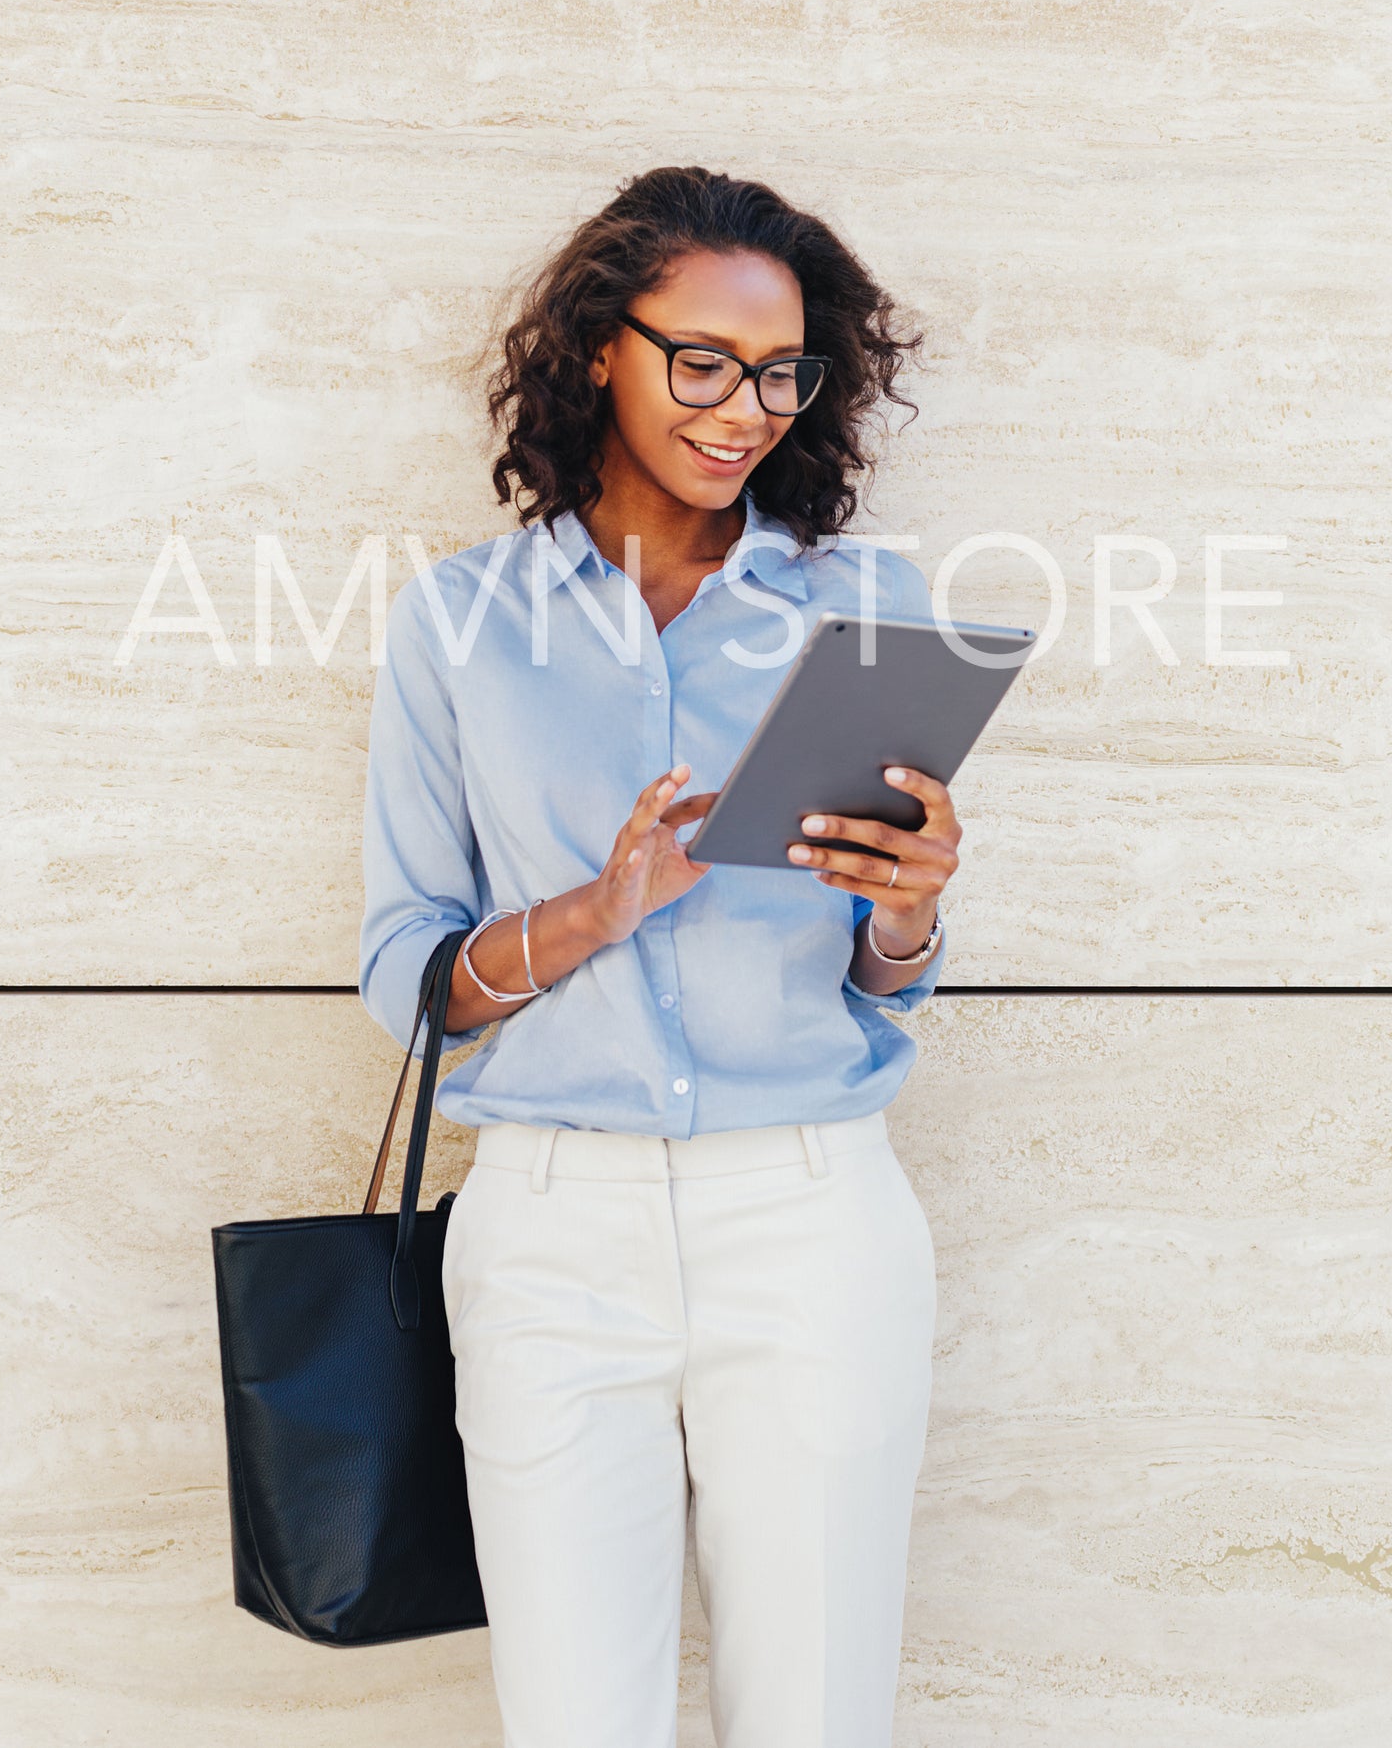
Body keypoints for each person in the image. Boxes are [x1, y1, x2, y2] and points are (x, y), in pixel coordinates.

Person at [359, 166, 962, 1748]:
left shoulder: (862, 608)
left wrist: (907, 911)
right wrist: (588, 913)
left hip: (812, 1208)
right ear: (597, 354)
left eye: (780, 372)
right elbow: (402, 976)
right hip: (554, 1225)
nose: (743, 407)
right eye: (700, 360)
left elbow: (878, 972)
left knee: (817, 1716)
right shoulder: (460, 623)